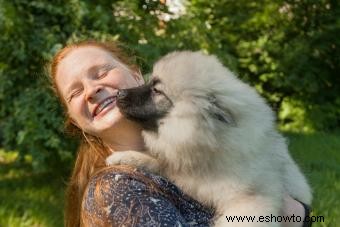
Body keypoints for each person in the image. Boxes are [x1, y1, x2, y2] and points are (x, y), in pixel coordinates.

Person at [49, 40, 311, 227]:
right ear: (74, 120)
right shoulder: (120, 191)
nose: (91, 90)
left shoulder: (187, 149)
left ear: (137, 75)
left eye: (102, 72)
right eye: (74, 92)